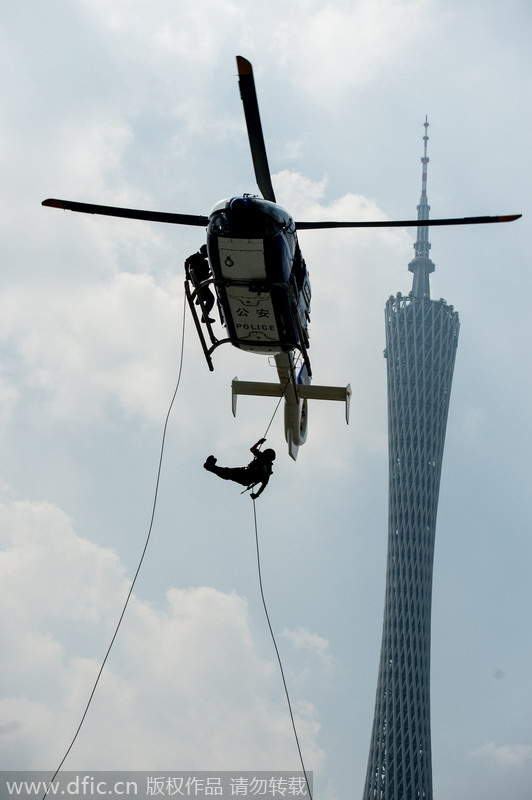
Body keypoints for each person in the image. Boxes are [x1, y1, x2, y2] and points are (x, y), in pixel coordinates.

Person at [203, 439, 275, 499]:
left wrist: (257, 494)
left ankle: (211, 467)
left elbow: (264, 484)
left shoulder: (267, 468)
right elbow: (252, 449)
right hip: (244, 472)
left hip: (247, 478)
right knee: (228, 472)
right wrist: (259, 442)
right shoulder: (261, 457)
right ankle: (211, 467)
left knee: (228, 473)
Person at [185, 244, 215, 322]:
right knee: (211, 299)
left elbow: (205, 275)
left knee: (209, 297)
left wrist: (210, 275)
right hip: (198, 282)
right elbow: (187, 261)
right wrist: (187, 274)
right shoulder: (196, 257)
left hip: (202, 282)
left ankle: (200, 297)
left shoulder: (205, 262)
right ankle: (204, 316)